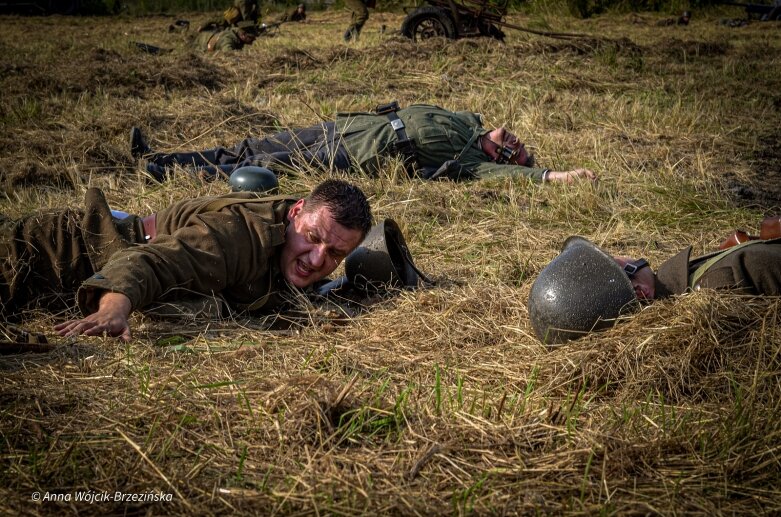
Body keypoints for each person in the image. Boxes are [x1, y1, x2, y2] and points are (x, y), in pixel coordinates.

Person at [0, 180, 372, 341]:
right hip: (57, 252)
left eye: (337, 254)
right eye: (313, 239)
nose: (318, 259)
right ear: (296, 212)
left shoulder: (315, 231)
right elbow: (152, 262)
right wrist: (113, 309)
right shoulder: (240, 236)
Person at [130, 103, 597, 185]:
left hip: (359, 154)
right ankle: (160, 157)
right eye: (518, 140)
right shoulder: (466, 121)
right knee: (255, 142)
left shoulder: (469, 161)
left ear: (504, 158)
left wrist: (558, 175)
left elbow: (521, 177)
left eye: (516, 148)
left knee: (265, 162)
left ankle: (168, 174)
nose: (516, 140)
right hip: (347, 126)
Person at [528, 234, 781, 344]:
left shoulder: (697, 284)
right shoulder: (729, 276)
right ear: (641, 292)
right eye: (616, 261)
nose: (626, 256)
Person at [194, 20, 261, 52]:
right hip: (199, 42)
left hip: (207, 35)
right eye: (251, 38)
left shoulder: (235, 34)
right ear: (243, 35)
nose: (253, 41)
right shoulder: (228, 38)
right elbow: (228, 53)